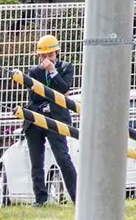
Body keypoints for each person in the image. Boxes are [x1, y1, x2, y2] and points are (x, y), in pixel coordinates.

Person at [23, 35, 77, 205]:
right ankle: (40, 198)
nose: (46, 59)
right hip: (36, 117)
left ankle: (76, 196)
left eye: (50, 55)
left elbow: (63, 89)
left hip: (57, 118)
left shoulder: (66, 68)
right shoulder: (34, 72)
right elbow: (33, 95)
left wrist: (53, 72)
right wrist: (43, 74)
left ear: (57, 53)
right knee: (36, 160)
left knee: (62, 157)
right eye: (43, 56)